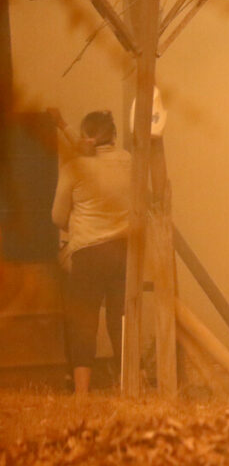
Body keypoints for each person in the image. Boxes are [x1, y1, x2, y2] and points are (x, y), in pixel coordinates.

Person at [51, 110, 132, 395]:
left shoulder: (74, 169)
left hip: (88, 253)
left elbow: (58, 219)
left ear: (88, 138)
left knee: (83, 321)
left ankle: (82, 392)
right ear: (112, 135)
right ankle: (129, 385)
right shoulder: (129, 162)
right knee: (120, 320)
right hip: (124, 253)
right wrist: (64, 124)